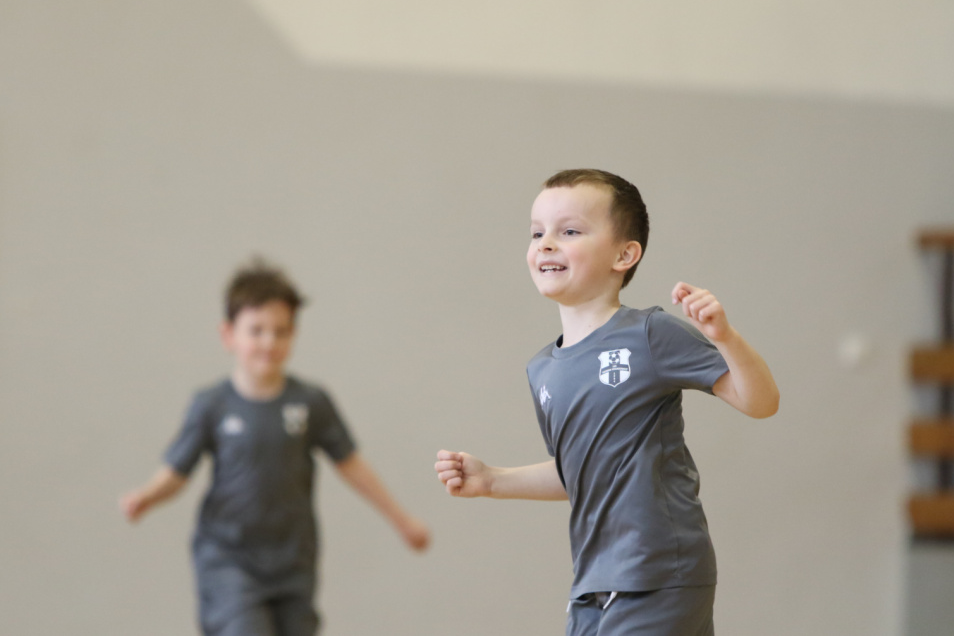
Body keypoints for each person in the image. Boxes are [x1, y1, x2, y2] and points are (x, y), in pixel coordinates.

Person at [435, 169, 778, 636]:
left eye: (569, 231)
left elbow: (761, 402)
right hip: (593, 582)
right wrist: (492, 480)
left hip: (658, 573)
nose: (546, 244)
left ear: (624, 254)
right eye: (537, 233)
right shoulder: (542, 369)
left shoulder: (650, 334)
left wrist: (725, 337)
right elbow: (581, 469)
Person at [122, 259, 430, 636]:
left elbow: (351, 465)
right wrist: (147, 496)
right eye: (256, 330)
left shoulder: (310, 403)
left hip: (292, 560)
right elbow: (177, 470)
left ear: (293, 334)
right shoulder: (211, 405)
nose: (269, 342)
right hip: (229, 558)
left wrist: (402, 521)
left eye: (281, 331)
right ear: (228, 335)